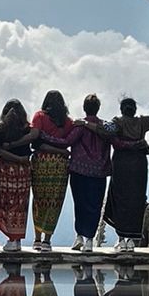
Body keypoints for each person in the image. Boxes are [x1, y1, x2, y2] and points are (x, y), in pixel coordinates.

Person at [104, 80, 149, 252]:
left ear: (122, 110)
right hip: (138, 166)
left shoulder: (117, 122)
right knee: (136, 200)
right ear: (134, 110)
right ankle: (130, 240)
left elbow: (105, 129)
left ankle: (121, 239)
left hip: (121, 165)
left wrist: (88, 122)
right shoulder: (142, 122)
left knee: (120, 199)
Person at [61, 94, 112, 254]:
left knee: (80, 203)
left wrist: (45, 139)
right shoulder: (104, 127)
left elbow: (67, 141)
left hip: (79, 171)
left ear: (84, 108)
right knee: (95, 205)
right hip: (99, 172)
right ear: (98, 108)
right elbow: (110, 136)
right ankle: (89, 239)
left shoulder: (79, 126)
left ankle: (79, 236)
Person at [0, 101, 37, 252]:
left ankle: (11, 239)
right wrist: (21, 160)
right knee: (20, 205)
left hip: (6, 171)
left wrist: (14, 156)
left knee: (7, 203)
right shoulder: (27, 129)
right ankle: (16, 239)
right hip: (23, 172)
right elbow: (35, 136)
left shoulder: (0, 130)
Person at [30, 89, 73, 247]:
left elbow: (35, 138)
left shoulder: (39, 116)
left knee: (39, 200)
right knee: (55, 202)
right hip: (60, 165)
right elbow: (69, 141)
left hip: (41, 162)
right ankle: (47, 240)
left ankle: (37, 239)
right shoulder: (68, 122)